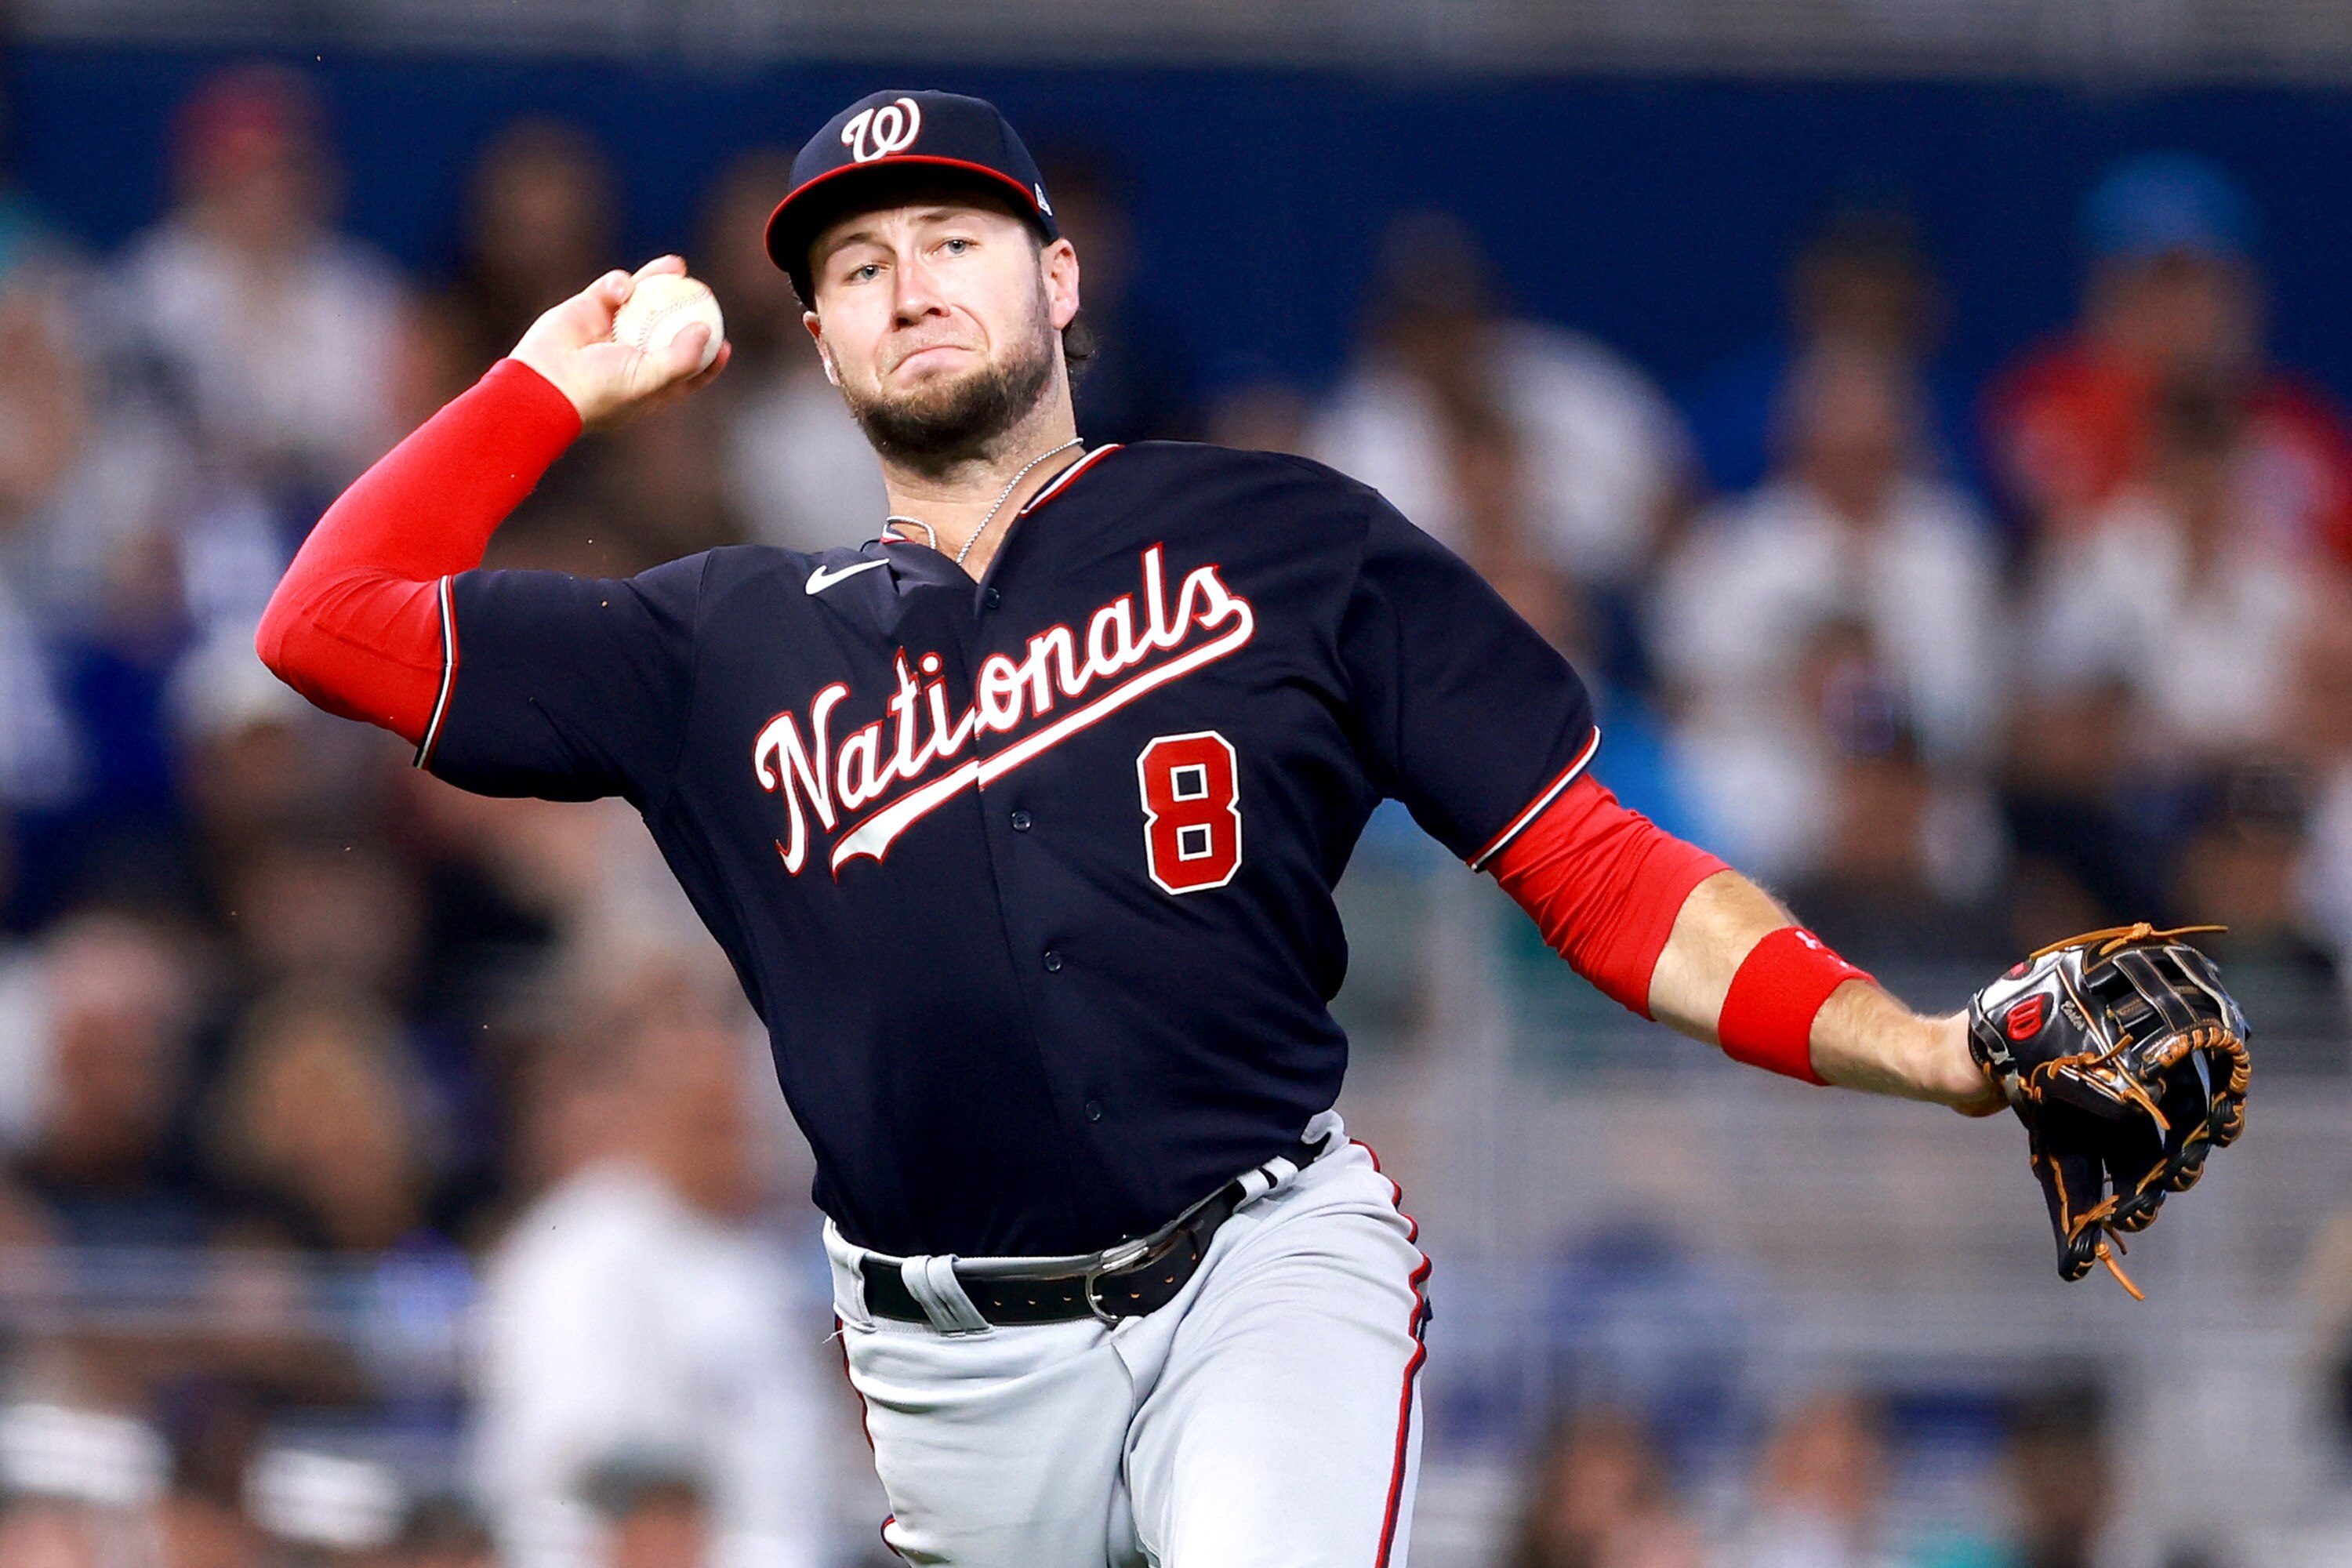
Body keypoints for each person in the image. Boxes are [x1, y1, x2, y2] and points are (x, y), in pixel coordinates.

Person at [256, 88, 2006, 1568]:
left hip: (1259, 1261)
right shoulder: (714, 640)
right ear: (820, 340)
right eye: (858, 266)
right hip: (949, 1366)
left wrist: (1915, 1046)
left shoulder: (1282, 542)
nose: (909, 285)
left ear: (1061, 276)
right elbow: (325, 623)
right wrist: (548, 384)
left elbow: (1596, 867)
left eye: (953, 240)